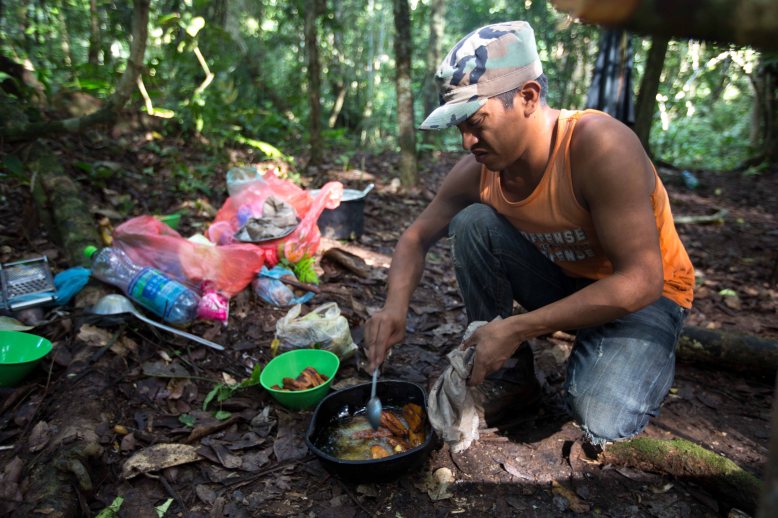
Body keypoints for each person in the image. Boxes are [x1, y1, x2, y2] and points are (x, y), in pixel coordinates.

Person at [363, 21, 694, 448]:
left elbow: (642, 280)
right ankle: (509, 379)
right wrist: (394, 308)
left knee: (601, 416)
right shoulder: (480, 171)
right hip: (570, 280)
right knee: (472, 223)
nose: (466, 141)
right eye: (458, 127)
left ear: (528, 97)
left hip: (649, 295)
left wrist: (519, 327)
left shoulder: (599, 146)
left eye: (476, 121)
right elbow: (416, 238)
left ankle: (631, 349)